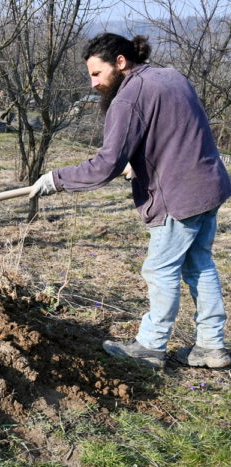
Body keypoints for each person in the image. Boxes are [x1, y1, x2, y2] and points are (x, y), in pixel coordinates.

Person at [29, 33, 231, 369]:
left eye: (97, 74)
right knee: (200, 265)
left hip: (178, 195)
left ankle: (150, 347)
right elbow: (172, 131)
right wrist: (136, 161)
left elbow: (104, 164)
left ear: (120, 63)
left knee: (159, 269)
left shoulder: (128, 98)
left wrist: (56, 179)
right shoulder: (171, 76)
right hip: (209, 183)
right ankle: (211, 346)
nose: (93, 83)